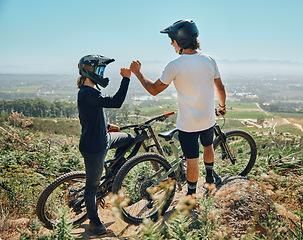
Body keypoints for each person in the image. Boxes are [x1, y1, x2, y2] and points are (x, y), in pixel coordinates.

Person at [130, 20, 226, 196]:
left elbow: (153, 90)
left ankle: (191, 195)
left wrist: (137, 72)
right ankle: (210, 179)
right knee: (208, 145)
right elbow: (220, 88)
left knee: (192, 159)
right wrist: (222, 106)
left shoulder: (175, 65)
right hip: (207, 119)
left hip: (188, 124)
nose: (171, 44)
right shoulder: (210, 60)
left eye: (172, 40)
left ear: (180, 41)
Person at [77, 55, 134, 235]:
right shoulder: (87, 93)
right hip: (94, 147)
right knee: (91, 188)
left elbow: (89, 117)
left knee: (131, 138)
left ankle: (114, 170)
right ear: (89, 71)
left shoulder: (90, 92)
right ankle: (94, 222)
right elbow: (116, 102)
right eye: (100, 70)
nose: (102, 74)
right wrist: (126, 78)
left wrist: (108, 127)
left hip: (105, 138)